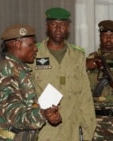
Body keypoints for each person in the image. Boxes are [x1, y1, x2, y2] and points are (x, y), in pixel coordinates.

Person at [0, 24, 62, 141]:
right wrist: (42, 114)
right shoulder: (7, 70)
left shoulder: (17, 69)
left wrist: (46, 113)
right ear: (17, 44)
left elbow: (26, 107)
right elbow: (14, 114)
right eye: (31, 44)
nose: (36, 48)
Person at [31, 7, 96, 141]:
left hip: (72, 131)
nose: (58, 28)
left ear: (68, 28)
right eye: (54, 24)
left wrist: (88, 131)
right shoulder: (34, 54)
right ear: (47, 26)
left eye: (63, 25)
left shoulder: (77, 56)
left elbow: (85, 98)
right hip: (43, 132)